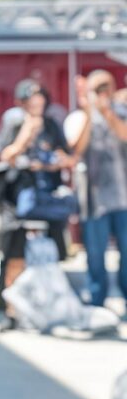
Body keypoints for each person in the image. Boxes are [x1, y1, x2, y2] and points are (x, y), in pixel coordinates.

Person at [0, 79, 74, 330]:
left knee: (49, 257)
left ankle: (45, 312)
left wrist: (52, 163)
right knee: (15, 257)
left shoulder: (52, 123)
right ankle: (12, 313)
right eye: (31, 98)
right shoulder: (14, 122)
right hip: (18, 198)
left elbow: (68, 157)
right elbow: (6, 156)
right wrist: (26, 135)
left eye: (40, 97)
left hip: (46, 195)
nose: (37, 102)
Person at [64, 70, 127, 308]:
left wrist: (108, 112)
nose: (102, 93)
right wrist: (91, 112)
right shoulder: (79, 117)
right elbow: (76, 148)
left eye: (106, 88)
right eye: (97, 89)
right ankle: (96, 303)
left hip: (123, 198)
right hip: (94, 199)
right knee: (95, 255)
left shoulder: (120, 112)